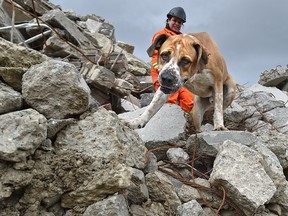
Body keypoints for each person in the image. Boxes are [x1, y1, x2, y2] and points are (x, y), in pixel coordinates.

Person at [150, 7, 194, 114]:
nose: (177, 24)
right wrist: (163, 72)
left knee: (189, 101)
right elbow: (156, 56)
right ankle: (165, 125)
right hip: (165, 76)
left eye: (180, 22)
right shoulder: (161, 36)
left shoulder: (183, 39)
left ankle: (181, 123)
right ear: (168, 20)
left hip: (179, 76)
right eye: (174, 20)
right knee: (169, 101)